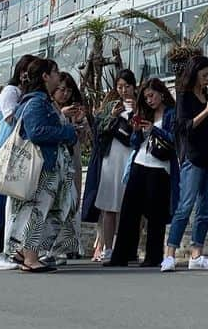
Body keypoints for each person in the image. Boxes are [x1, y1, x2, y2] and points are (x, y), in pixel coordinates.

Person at [6, 58, 78, 273]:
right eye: (55, 72)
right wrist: (67, 133)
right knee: (38, 208)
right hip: (41, 165)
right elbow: (36, 132)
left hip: (39, 164)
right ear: (45, 76)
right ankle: (30, 257)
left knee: (38, 208)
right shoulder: (37, 102)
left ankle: (26, 252)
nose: (58, 76)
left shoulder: (34, 100)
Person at [162, 56, 208, 274]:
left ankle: (197, 253)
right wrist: (206, 111)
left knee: (206, 208)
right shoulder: (184, 97)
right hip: (193, 156)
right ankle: (169, 254)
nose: (207, 79)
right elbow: (183, 127)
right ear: (194, 73)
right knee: (185, 206)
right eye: (204, 75)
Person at [110, 78, 179, 269]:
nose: (149, 100)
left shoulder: (171, 114)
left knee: (155, 214)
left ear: (161, 93)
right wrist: (137, 130)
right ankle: (120, 255)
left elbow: (175, 140)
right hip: (140, 162)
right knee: (129, 211)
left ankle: (153, 256)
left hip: (160, 168)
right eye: (146, 97)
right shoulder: (145, 113)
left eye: (152, 95)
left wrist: (154, 131)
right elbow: (134, 142)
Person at [0, 54, 36, 271]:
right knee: (0, 203)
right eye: (27, 70)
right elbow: (10, 118)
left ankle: (8, 251)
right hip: (7, 153)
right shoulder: (11, 91)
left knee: (10, 204)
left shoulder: (23, 93)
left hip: (18, 155)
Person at [43, 72, 92, 266]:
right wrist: (62, 116)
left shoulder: (74, 111)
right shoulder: (49, 108)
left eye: (69, 90)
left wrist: (80, 122)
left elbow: (84, 140)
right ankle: (48, 247)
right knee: (53, 202)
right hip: (55, 161)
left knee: (70, 202)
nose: (65, 94)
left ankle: (63, 247)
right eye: (61, 89)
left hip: (73, 158)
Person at [89, 69, 138, 263]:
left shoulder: (142, 105)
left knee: (131, 206)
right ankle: (108, 248)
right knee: (109, 205)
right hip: (112, 157)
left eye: (127, 86)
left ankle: (128, 248)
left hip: (132, 156)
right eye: (119, 87)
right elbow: (98, 132)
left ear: (134, 86)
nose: (123, 90)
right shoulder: (110, 105)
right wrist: (111, 116)